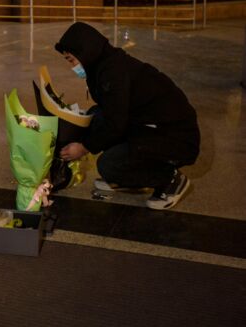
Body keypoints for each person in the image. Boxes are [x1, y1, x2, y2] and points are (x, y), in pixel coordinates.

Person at [55, 22, 200, 210]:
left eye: (72, 60)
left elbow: (116, 124)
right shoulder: (103, 65)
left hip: (175, 137)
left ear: (86, 52)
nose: (73, 67)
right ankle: (125, 179)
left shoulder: (113, 72)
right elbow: (110, 111)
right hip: (148, 124)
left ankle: (170, 180)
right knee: (95, 118)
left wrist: (84, 147)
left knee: (109, 165)